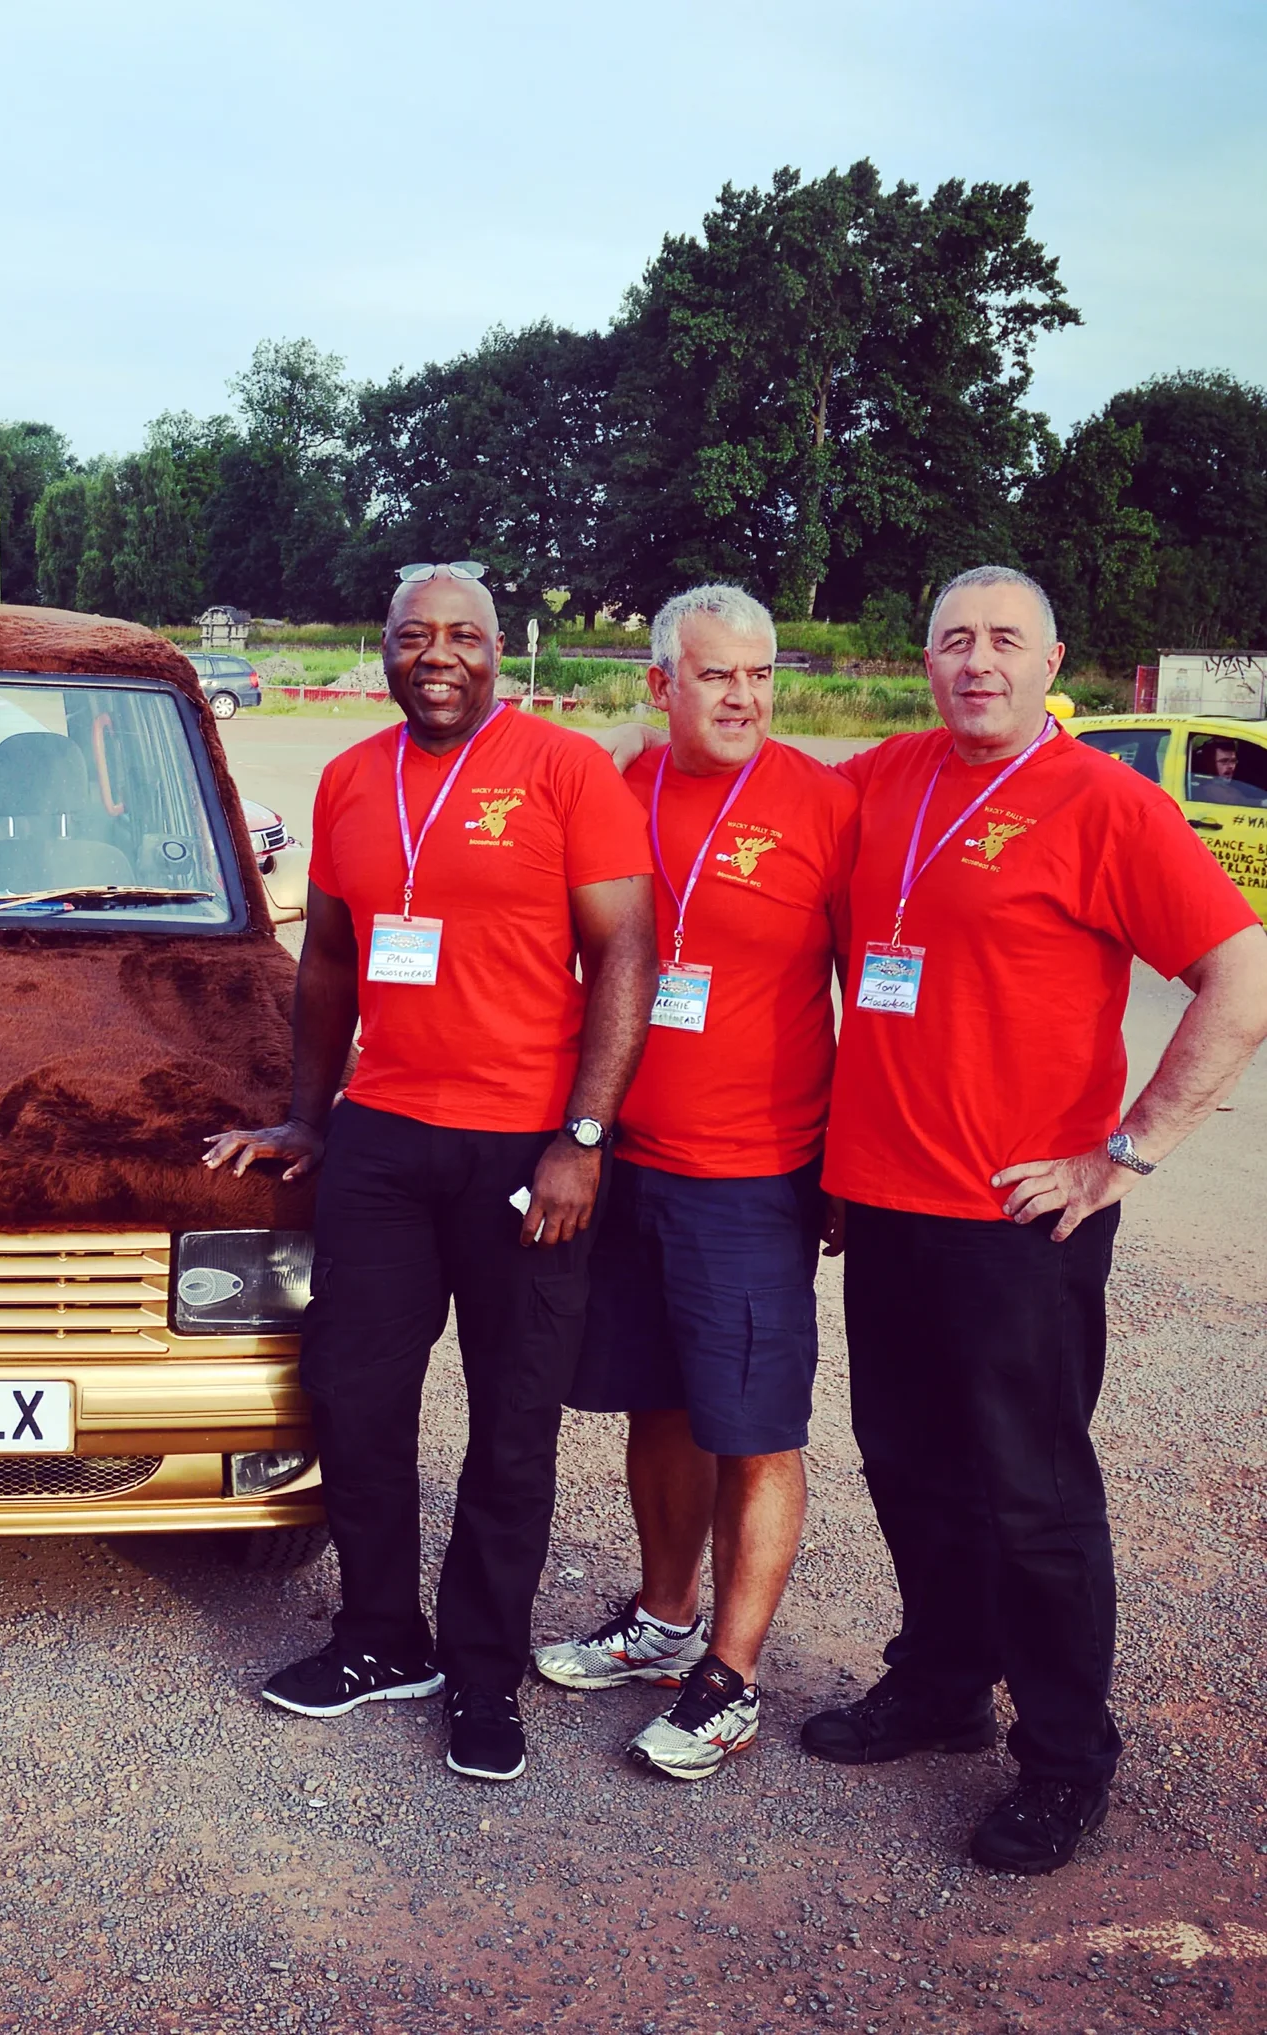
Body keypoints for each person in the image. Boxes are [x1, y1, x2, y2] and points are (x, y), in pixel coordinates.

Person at [800, 567, 1267, 1872]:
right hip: (881, 1203)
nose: (977, 660)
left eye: (1006, 639)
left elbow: (1242, 973)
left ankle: (1065, 1757)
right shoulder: (884, 775)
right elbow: (756, 811)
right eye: (954, 637)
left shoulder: (1105, 802)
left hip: (1018, 1223)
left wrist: (1128, 1149)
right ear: (928, 657)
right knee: (906, 1459)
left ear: (1052, 659)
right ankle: (944, 1677)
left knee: (1032, 1493)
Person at [207, 563, 655, 1783]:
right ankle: (377, 1637)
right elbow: (329, 970)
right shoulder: (352, 779)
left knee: (511, 1422)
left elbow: (627, 957)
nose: (437, 654)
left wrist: (585, 1136)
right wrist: (309, 1116)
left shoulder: (565, 772)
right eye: (415, 636)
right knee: (355, 1397)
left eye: (462, 634)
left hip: (526, 1148)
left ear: (498, 648)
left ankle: (481, 1668)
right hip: (385, 1141)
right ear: (387, 649)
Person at [530, 586, 855, 1782]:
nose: (743, 697)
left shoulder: (827, 806)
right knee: (656, 1407)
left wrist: (844, 1165)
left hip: (753, 1176)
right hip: (623, 1162)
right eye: (716, 675)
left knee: (754, 1430)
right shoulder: (613, 788)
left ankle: (730, 1674)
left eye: (760, 674)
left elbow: (871, 995)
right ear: (661, 682)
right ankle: (663, 1621)